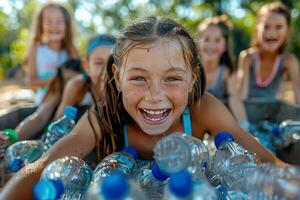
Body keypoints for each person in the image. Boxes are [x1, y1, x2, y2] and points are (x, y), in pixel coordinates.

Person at [0, 16, 288, 200]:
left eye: (173, 78)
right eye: (138, 78)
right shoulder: (104, 117)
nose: (155, 96)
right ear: (117, 78)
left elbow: (267, 161)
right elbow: (43, 166)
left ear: (193, 79)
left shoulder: (202, 109)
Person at [0, 59, 83, 160]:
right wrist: (12, 138)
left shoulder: (87, 102)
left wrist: (67, 101)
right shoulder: (56, 95)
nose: (68, 86)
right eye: (64, 80)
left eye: (71, 81)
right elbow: (39, 117)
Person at [238, 2, 300, 104]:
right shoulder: (247, 58)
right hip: (247, 114)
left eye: (279, 27)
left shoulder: (289, 61)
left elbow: (298, 95)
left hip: (271, 116)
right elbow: (241, 99)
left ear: (288, 30)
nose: (271, 33)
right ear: (257, 29)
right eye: (266, 27)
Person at [23, 3, 78, 104]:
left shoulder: (71, 51)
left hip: (68, 101)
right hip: (43, 102)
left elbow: (77, 77)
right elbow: (31, 83)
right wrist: (58, 78)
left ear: (67, 25)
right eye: (49, 22)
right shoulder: (36, 50)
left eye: (59, 21)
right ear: (41, 25)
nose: (54, 26)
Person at [53, 34, 116, 120]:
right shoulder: (77, 86)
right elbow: (58, 121)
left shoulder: (124, 91)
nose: (106, 71)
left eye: (112, 62)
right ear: (86, 66)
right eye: (99, 63)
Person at [197, 15, 248, 121]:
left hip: (217, 119)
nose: (211, 45)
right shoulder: (192, 69)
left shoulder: (226, 71)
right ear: (198, 43)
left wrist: (245, 126)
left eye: (217, 40)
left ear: (225, 45)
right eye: (206, 39)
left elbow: (235, 100)